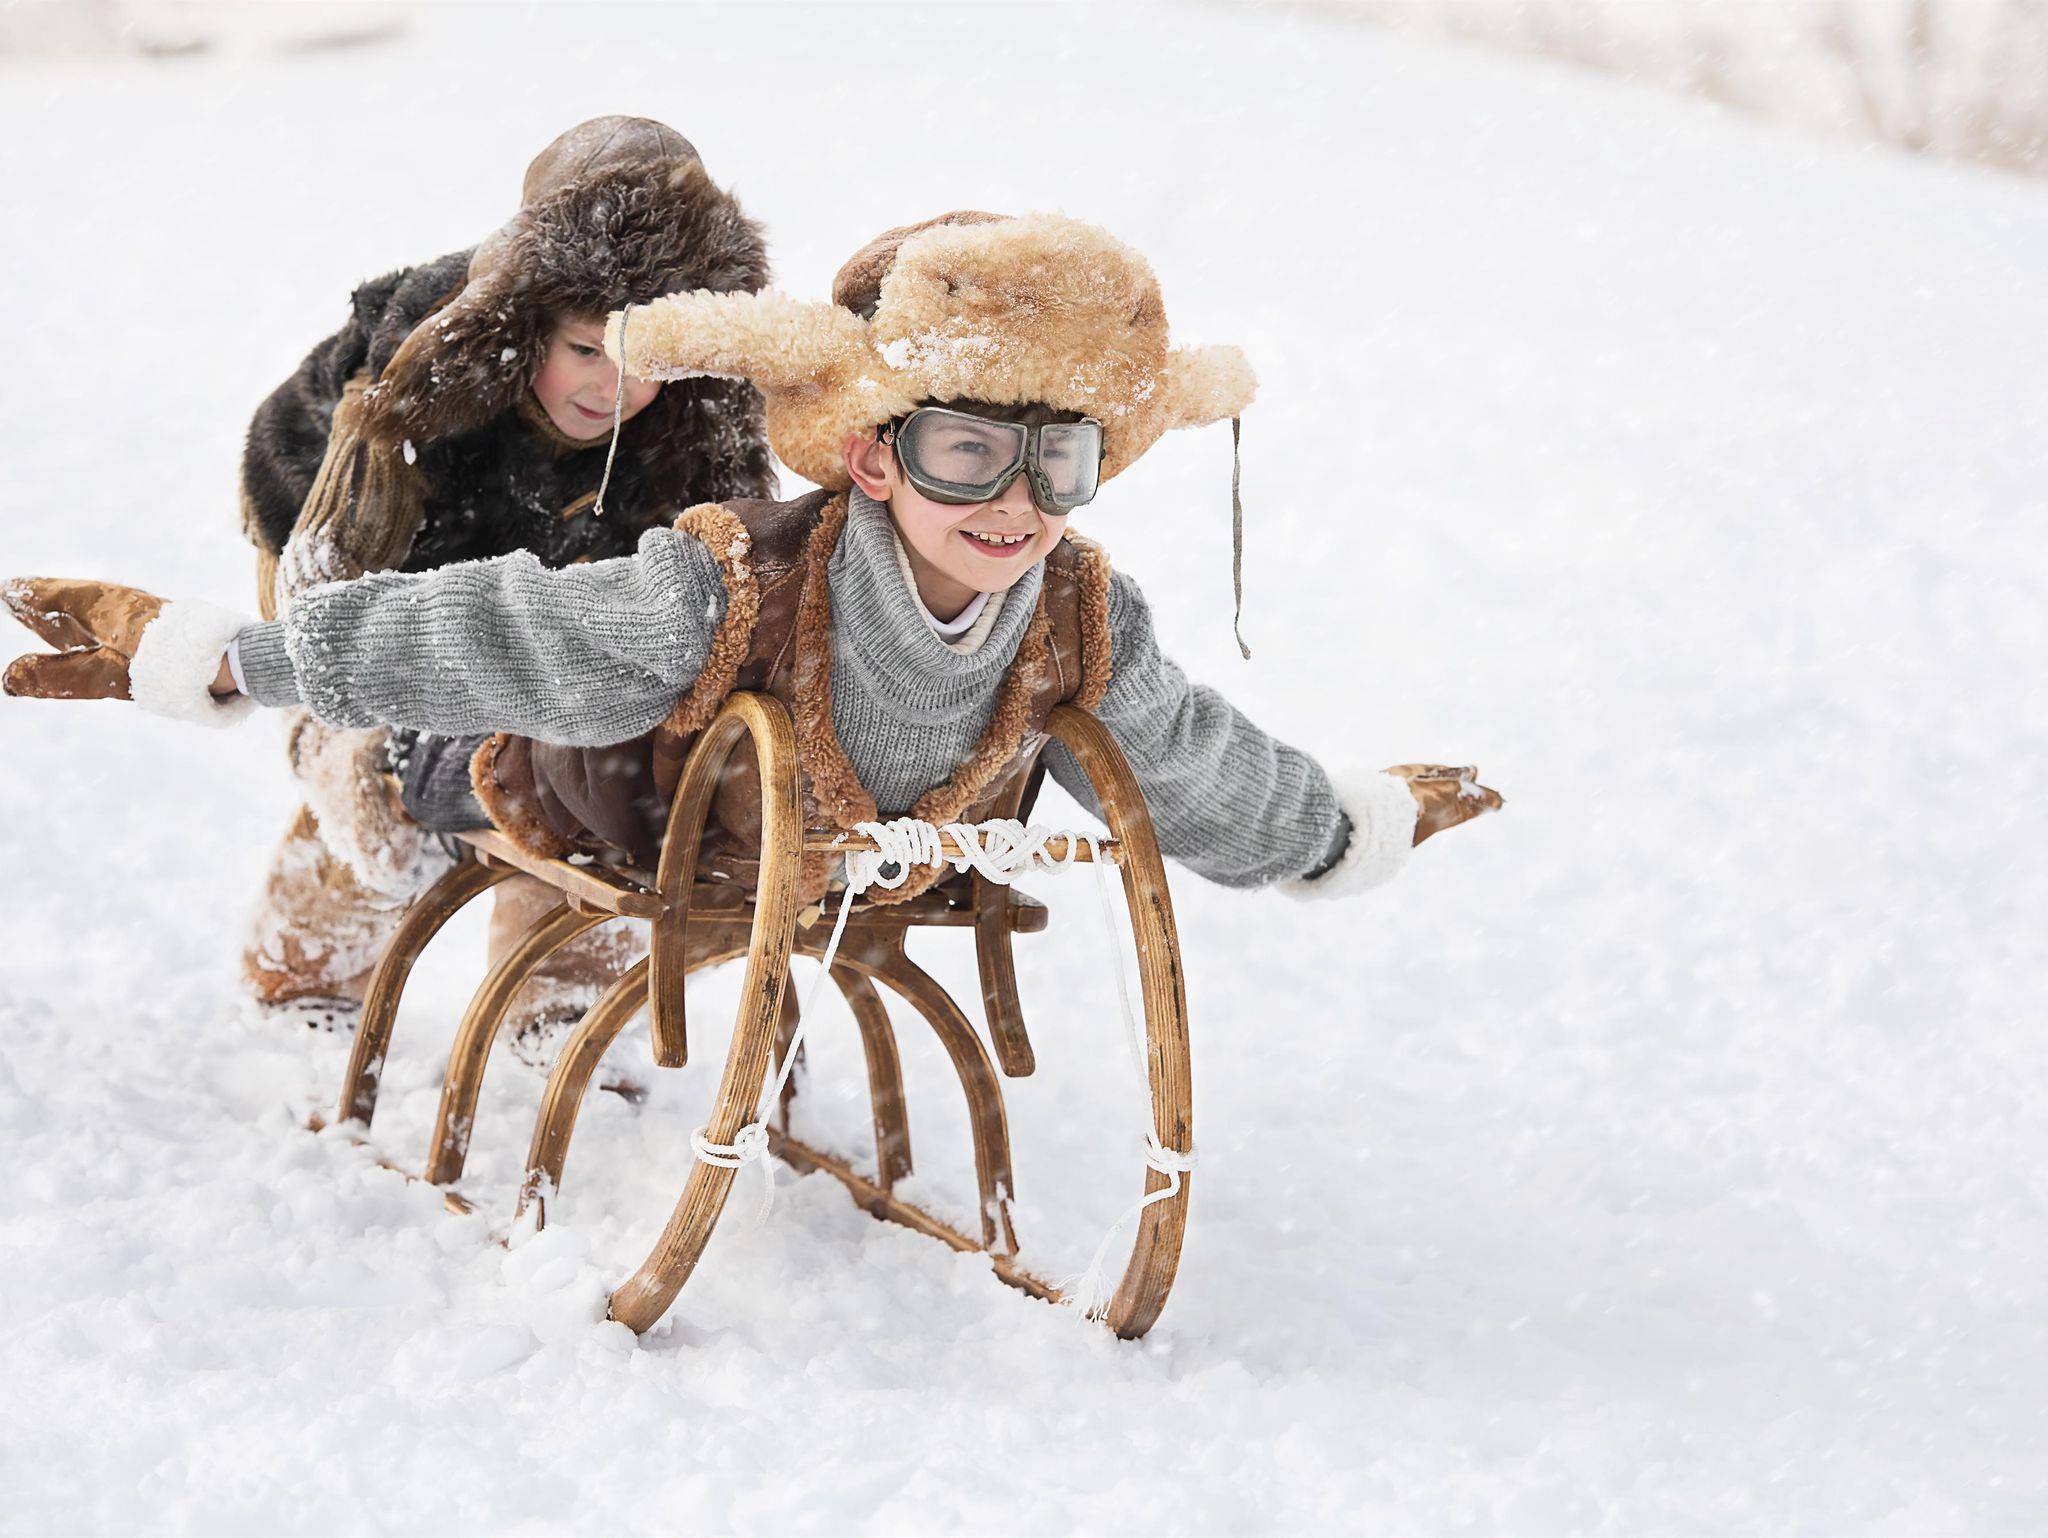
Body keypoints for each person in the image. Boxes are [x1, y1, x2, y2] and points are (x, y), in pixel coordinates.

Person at [3, 211, 1499, 942]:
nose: (1017, 505)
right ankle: (346, 848)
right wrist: (232, 655)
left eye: (1061, 462)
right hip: (607, 797)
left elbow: (1186, 755)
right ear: (871, 455)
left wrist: (1339, 827)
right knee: (424, 775)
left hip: (843, 867)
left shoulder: (1076, 617)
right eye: (969, 453)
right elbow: (509, 627)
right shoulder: (733, 583)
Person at [227, 115, 775, 1054]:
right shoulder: (417, 378)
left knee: (605, 766)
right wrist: (385, 689)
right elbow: (323, 593)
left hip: (558, 629)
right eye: (586, 350)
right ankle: (304, 970)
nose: (613, 388)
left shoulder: (693, 422)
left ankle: (560, 1000)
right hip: (370, 591)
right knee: (375, 761)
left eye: (646, 360)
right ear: (529, 325)